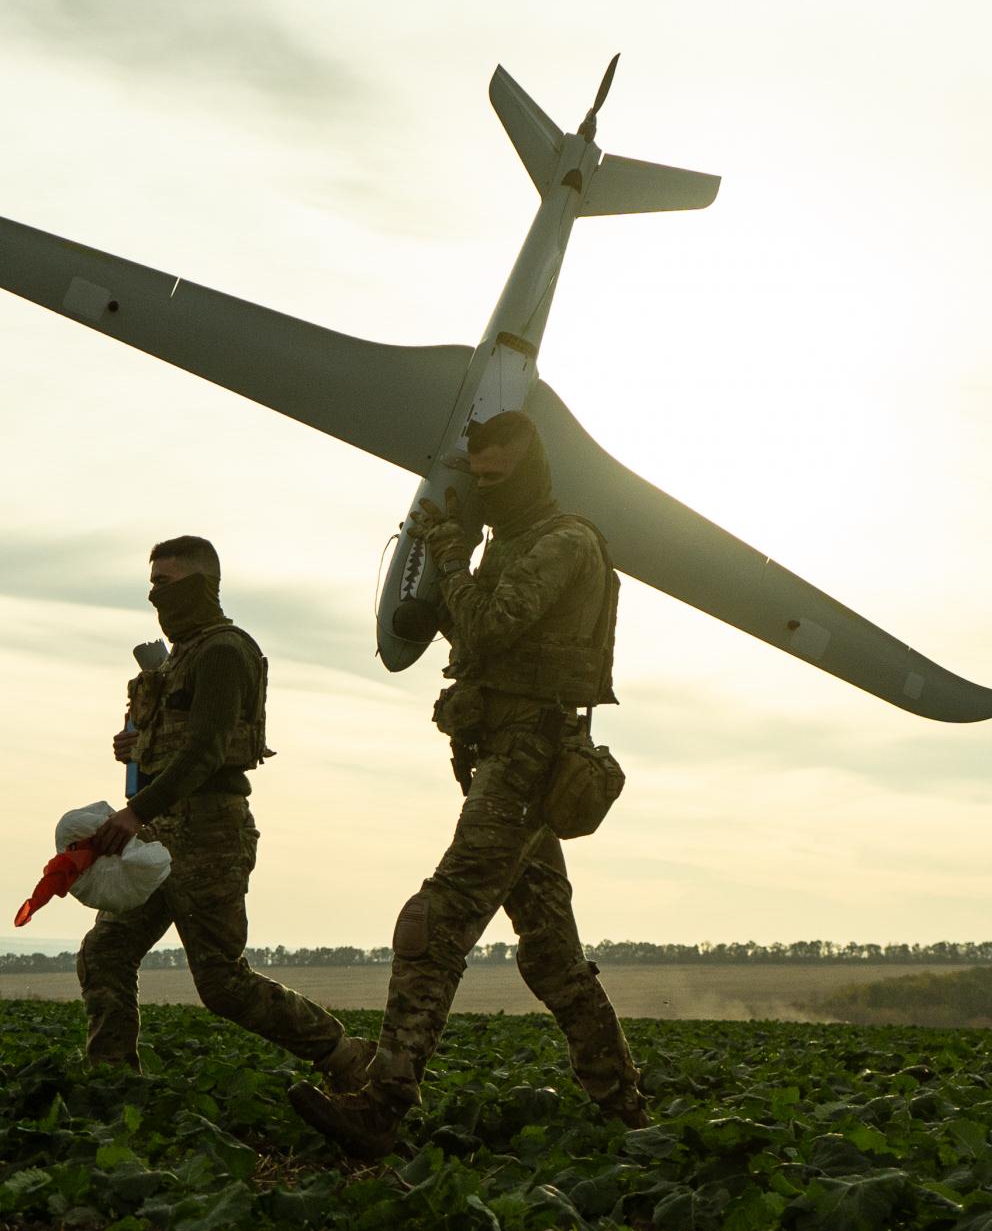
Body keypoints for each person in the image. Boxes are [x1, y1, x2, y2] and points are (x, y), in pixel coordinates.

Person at [289, 412, 646, 1159]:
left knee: (436, 916)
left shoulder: (562, 543)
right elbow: (478, 637)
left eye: (496, 476)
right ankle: (627, 1111)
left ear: (530, 470)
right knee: (550, 956)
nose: (484, 487)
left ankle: (383, 1103)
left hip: (528, 762)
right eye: (475, 474)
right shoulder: (513, 546)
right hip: (507, 764)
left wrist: (450, 555)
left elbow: (486, 630)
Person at [76, 535, 373, 1092]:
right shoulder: (179, 659)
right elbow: (175, 745)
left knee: (222, 983)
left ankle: (345, 1054)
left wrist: (134, 813)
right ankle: (111, 1083)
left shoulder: (224, 651)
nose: (154, 597)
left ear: (201, 585)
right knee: (105, 951)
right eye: (152, 584)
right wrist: (136, 746)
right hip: (161, 832)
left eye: (165, 584)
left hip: (210, 831)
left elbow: (207, 749)